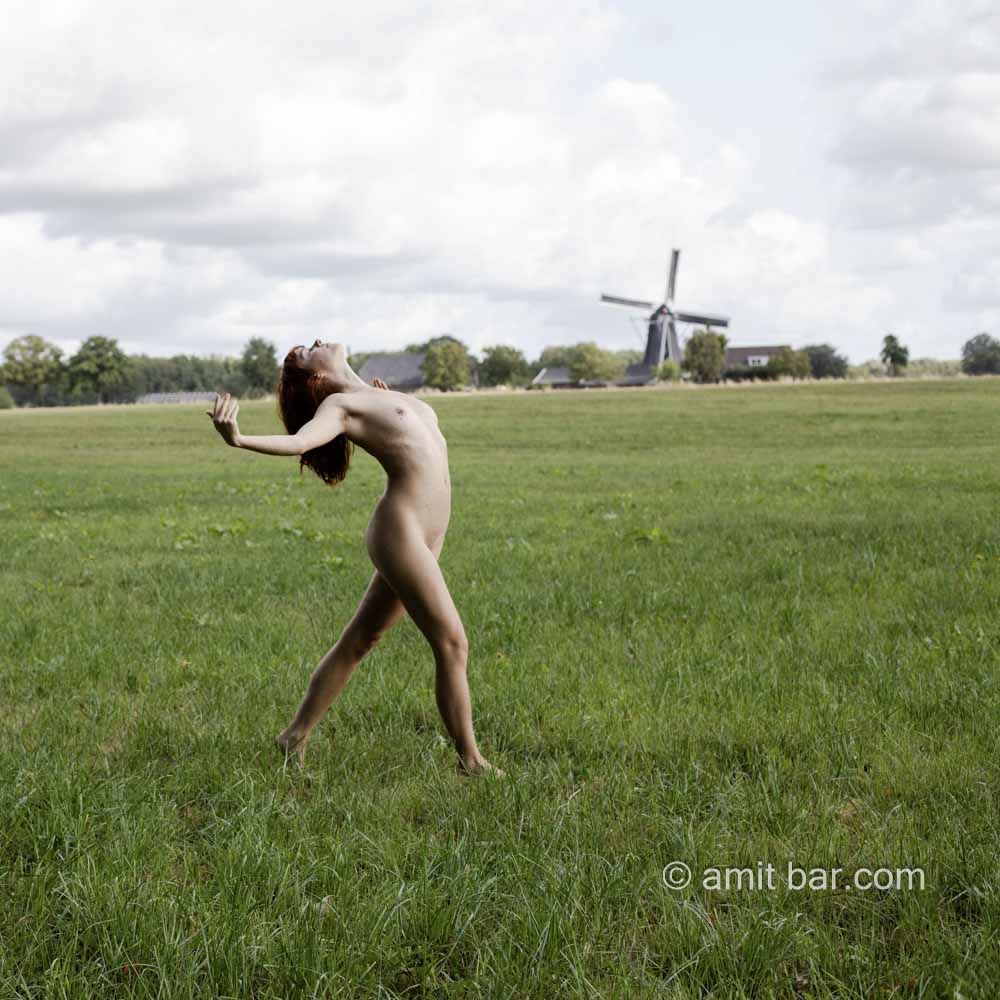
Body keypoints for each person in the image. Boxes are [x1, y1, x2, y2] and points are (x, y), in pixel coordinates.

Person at [206, 341, 500, 777]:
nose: (317, 342)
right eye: (307, 351)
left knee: (360, 639)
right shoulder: (341, 407)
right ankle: (471, 761)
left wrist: (384, 396)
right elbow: (301, 440)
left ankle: (293, 737)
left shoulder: (377, 394)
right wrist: (239, 439)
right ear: (317, 377)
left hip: (428, 533)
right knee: (452, 642)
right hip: (400, 533)